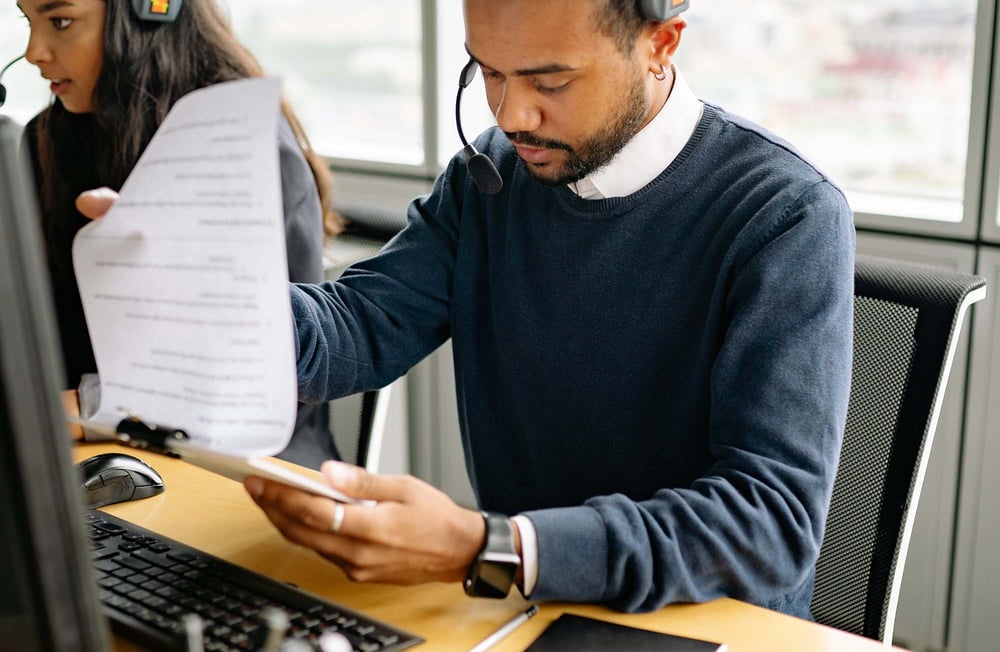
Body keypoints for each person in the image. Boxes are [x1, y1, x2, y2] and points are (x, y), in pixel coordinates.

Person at [80, 0, 856, 618]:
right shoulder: (489, 180)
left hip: (704, 622)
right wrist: (213, 287)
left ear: (661, 44)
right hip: (519, 605)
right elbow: (358, 326)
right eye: (488, 71)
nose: (513, 114)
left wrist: (494, 548)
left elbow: (769, 522)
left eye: (549, 82)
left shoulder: (785, 216)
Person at [19, 0, 343, 468]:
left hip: (241, 471)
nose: (34, 52)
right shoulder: (47, 140)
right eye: (27, 21)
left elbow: (256, 381)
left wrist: (86, 409)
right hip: (95, 453)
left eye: (61, 22)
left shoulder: (240, 149)